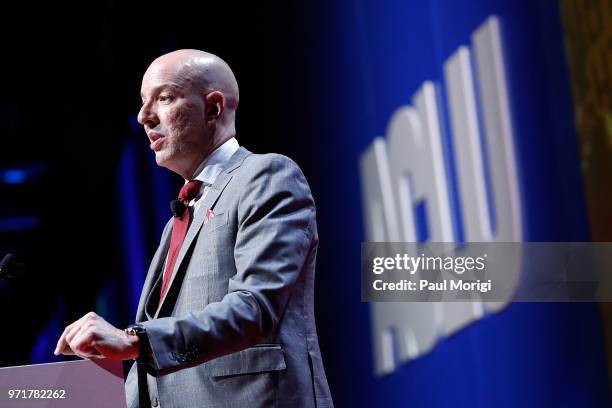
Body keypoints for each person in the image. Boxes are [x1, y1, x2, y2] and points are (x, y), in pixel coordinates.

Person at [54, 49, 333, 408]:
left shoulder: (267, 176)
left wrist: (135, 340)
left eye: (164, 98)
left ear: (213, 108)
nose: (143, 117)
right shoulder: (176, 222)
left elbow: (255, 307)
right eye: (142, 103)